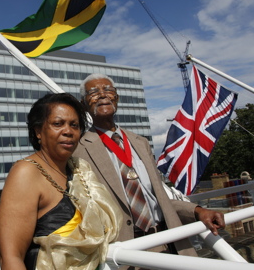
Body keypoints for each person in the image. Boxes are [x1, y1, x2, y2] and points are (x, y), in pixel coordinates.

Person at [73, 74, 226, 265]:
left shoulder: (140, 143)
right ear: (83, 104)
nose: (103, 95)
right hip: (126, 253)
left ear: (117, 98)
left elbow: (160, 198)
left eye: (108, 90)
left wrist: (197, 211)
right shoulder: (79, 150)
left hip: (168, 244)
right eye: (94, 92)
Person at [0, 93, 122, 270]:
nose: (68, 131)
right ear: (38, 131)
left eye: (74, 125)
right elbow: (11, 257)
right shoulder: (26, 173)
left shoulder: (80, 169)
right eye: (57, 124)